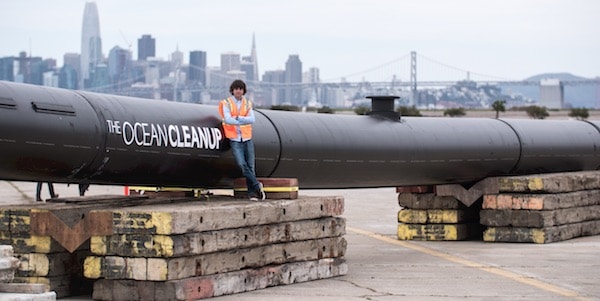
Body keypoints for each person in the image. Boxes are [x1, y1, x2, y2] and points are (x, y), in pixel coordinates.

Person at [218, 79, 265, 201]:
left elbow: (252, 119)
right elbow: (227, 119)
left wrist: (238, 118)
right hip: (234, 138)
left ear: (243, 91)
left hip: (247, 138)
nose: (238, 91)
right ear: (232, 91)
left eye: (240, 89)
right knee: (242, 164)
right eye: (236, 89)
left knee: (250, 166)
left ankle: (252, 193)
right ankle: (256, 185)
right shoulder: (226, 103)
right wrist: (243, 119)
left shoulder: (247, 103)